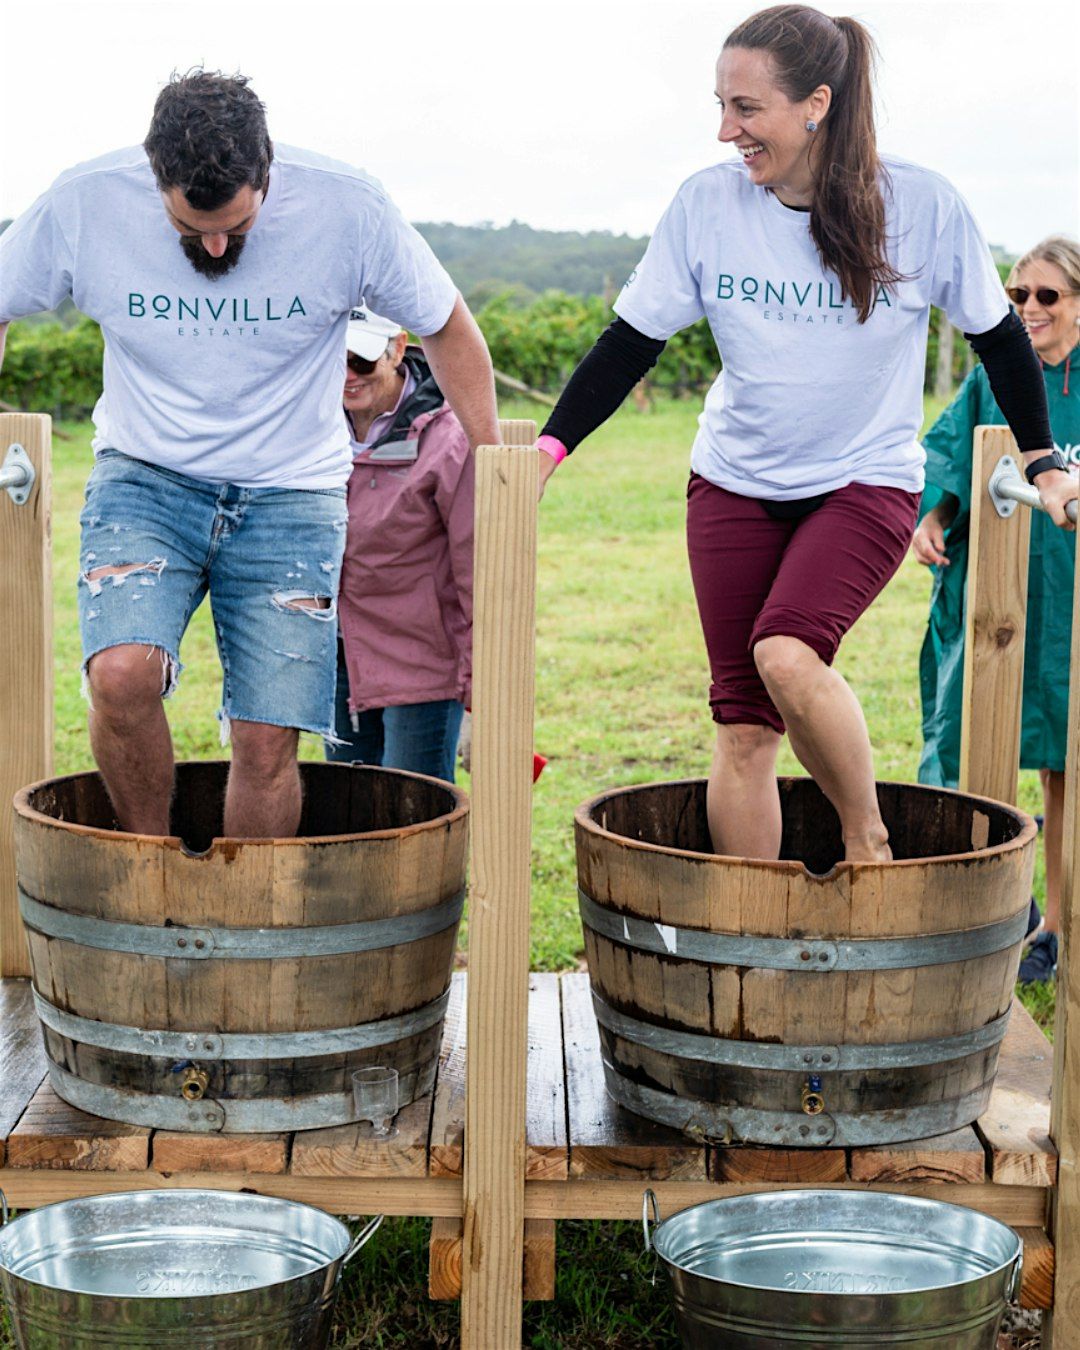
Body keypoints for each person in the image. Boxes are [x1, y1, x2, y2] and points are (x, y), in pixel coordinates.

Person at [534, 4, 1075, 865]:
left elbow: (997, 336)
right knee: (743, 728)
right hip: (733, 480)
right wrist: (549, 450)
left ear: (815, 103)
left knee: (786, 655)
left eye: (746, 109)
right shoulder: (706, 206)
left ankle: (866, 841)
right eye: (719, 105)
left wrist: (1044, 461)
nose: (725, 130)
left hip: (863, 479)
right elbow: (632, 341)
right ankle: (753, 940)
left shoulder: (920, 204)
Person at [0, 70, 498, 839]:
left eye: (237, 222)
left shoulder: (348, 206)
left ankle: (244, 930)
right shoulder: (84, 202)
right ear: (153, 176)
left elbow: (447, 326)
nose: (215, 243)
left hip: (291, 492)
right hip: (146, 477)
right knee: (121, 675)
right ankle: (150, 866)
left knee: (267, 734)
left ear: (268, 172)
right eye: (189, 227)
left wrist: (493, 459)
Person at [915, 235, 1080, 983]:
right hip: (999, 600)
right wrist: (931, 518)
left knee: (1068, 769)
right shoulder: (992, 378)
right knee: (979, 752)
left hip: (1071, 603)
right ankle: (985, 922)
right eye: (1018, 297)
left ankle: (1059, 927)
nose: (1030, 310)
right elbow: (947, 461)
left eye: (1047, 296)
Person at [325, 306, 471, 782]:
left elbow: (477, 566)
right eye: (333, 358)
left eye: (361, 360)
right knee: (347, 810)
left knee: (415, 809)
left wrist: (478, 688)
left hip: (422, 660)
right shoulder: (309, 424)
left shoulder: (448, 438)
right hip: (340, 654)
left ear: (396, 349)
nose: (347, 376)